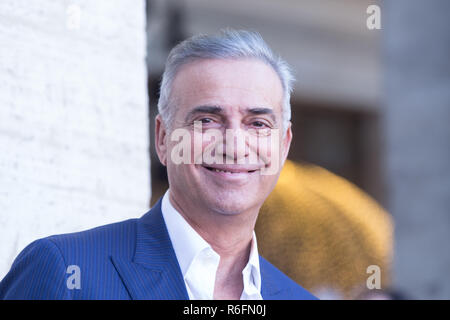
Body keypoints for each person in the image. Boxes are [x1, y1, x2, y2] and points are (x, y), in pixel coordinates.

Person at [0, 29, 316, 300]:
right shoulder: (65, 271)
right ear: (163, 138)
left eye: (258, 123)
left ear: (284, 144)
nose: (234, 145)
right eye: (207, 120)